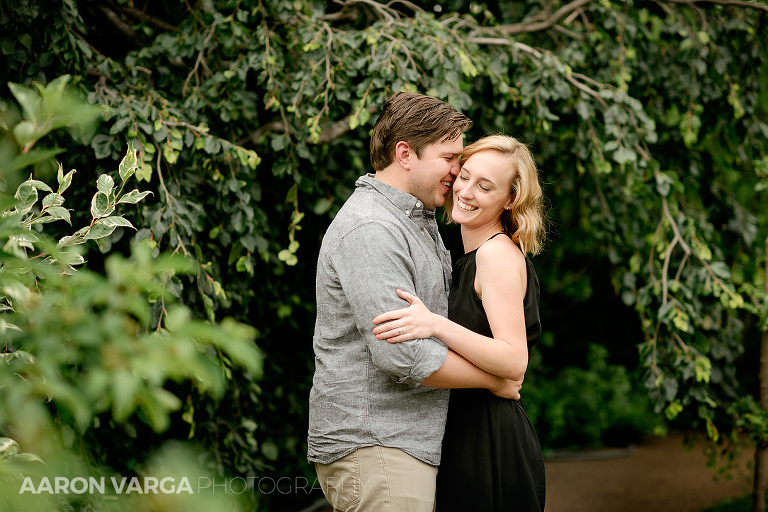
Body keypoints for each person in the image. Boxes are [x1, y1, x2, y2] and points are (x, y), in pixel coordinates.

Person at [308, 94, 522, 512]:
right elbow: (403, 355)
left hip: (400, 445)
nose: (458, 171)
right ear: (405, 153)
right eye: (449, 157)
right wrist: (495, 380)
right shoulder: (372, 228)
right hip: (377, 444)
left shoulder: (412, 223)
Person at [372, 134, 547, 512]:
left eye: (485, 186)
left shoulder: (496, 256)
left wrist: (434, 324)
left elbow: (514, 360)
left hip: (490, 441)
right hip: (465, 434)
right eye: (464, 176)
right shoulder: (469, 255)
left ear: (510, 199)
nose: (466, 191)